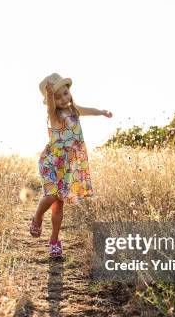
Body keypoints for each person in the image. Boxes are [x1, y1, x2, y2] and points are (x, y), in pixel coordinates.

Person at [29, 73, 113, 257]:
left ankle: (54, 241)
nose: (63, 99)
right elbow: (51, 107)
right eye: (58, 97)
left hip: (67, 165)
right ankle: (37, 217)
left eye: (65, 93)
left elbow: (87, 110)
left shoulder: (74, 110)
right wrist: (50, 95)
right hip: (51, 162)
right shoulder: (54, 114)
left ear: (70, 92)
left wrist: (101, 112)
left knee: (59, 204)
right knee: (51, 195)